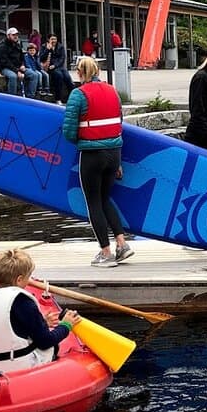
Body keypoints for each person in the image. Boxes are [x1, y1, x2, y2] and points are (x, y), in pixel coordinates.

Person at [63, 56, 134, 268]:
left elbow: (68, 130)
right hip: (114, 154)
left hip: (92, 155)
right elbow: (119, 120)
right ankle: (122, 244)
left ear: (80, 72)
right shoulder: (112, 91)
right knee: (105, 199)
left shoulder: (78, 94)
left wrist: (83, 141)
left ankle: (105, 252)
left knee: (93, 202)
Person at [0, 248, 80, 374]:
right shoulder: (23, 302)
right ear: (19, 279)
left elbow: (7, 326)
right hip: (21, 369)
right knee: (52, 346)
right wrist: (66, 325)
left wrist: (42, 321)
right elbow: (45, 341)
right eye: (28, 277)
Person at [0, 27, 38, 97]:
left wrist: (22, 65)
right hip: (5, 68)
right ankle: (12, 99)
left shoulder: (18, 45)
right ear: (8, 35)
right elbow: (4, 62)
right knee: (13, 77)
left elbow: (22, 57)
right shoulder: (2, 46)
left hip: (18, 67)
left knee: (34, 75)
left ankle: (30, 97)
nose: (16, 36)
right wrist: (17, 71)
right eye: (13, 35)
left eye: (17, 35)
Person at [40, 34, 73, 103]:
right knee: (59, 76)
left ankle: (72, 96)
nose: (54, 41)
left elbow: (62, 58)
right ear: (48, 40)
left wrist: (55, 65)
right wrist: (47, 50)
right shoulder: (44, 46)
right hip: (49, 67)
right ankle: (58, 98)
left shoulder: (60, 46)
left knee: (67, 77)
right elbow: (41, 58)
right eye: (52, 39)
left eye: (55, 39)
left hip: (58, 66)